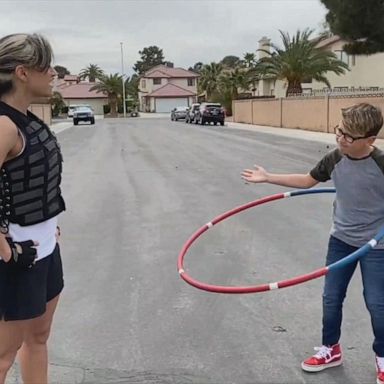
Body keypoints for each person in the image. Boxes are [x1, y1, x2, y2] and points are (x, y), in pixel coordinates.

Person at [241, 103, 384, 384]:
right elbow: (307, 181)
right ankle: (330, 349)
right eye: (340, 131)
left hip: (377, 245)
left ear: (370, 140)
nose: (341, 138)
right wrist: (269, 177)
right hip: (341, 239)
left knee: (377, 303)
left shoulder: (381, 164)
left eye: (349, 136)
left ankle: (383, 357)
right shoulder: (334, 159)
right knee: (331, 298)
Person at [0, 33, 65, 384]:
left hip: (44, 248)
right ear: (23, 73)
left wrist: (47, 225)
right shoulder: (3, 125)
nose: (53, 73)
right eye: (46, 66)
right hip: (16, 257)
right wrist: (6, 250)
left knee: (38, 338)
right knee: (2, 356)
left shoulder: (30, 120)